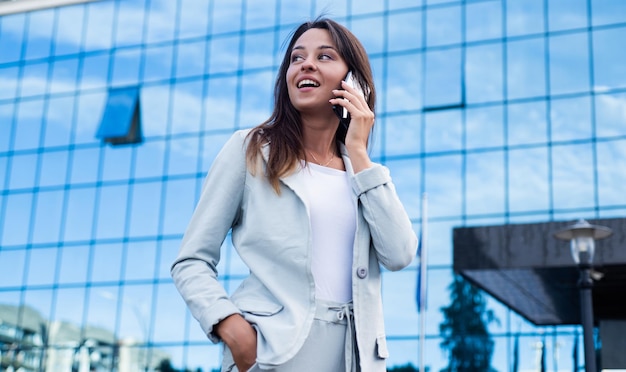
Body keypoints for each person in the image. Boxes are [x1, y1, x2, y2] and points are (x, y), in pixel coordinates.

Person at [171, 17, 417, 372]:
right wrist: (234, 330)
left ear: (354, 83)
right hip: (273, 349)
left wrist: (360, 154)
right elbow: (191, 260)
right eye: (297, 57)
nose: (306, 64)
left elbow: (400, 254)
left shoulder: (361, 172)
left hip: (354, 355)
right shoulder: (250, 149)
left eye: (325, 56)